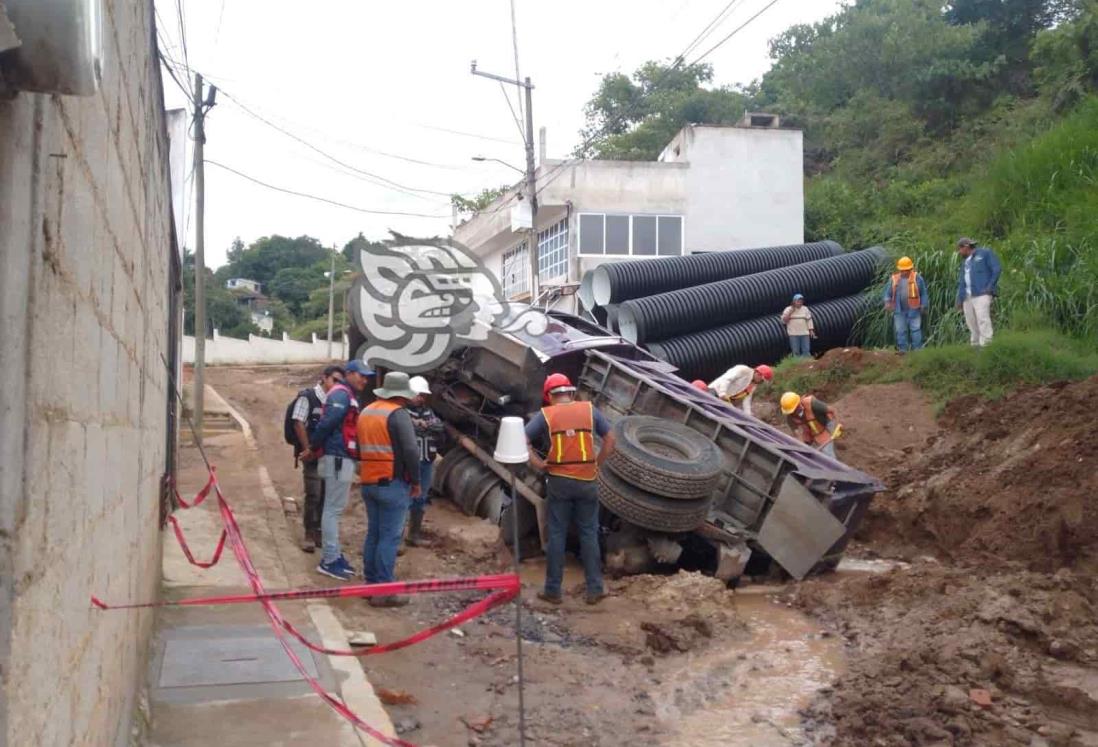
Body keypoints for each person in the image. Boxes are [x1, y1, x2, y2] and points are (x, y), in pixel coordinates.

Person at [524, 373, 615, 606]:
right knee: (589, 533)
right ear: (571, 393)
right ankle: (595, 589)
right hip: (587, 481)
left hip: (559, 481)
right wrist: (597, 463)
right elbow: (611, 439)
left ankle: (553, 591)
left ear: (549, 396)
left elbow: (522, 437)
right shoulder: (589, 410)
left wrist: (538, 462)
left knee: (557, 533)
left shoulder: (547, 414)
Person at [357, 371, 422, 607]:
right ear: (402, 394)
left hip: (368, 481)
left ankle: (370, 585)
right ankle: (383, 591)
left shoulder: (367, 410)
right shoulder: (398, 414)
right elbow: (411, 451)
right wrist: (416, 481)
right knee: (389, 537)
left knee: (373, 534)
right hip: (392, 484)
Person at [308, 359, 373, 581]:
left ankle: (333, 555)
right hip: (337, 456)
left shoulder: (346, 394)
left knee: (334, 509)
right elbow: (326, 424)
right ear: (350, 373)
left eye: (367, 377)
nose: (365, 380)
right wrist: (312, 447)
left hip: (341, 456)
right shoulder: (341, 394)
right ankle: (329, 560)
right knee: (332, 510)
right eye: (361, 375)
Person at [291, 365, 344, 553]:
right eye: (334, 380)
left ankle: (319, 531)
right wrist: (307, 449)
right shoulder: (308, 397)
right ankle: (309, 532)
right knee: (313, 494)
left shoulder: (336, 401)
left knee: (326, 494)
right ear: (324, 378)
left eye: (340, 382)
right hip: (312, 456)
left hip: (329, 455)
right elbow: (298, 422)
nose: (336, 384)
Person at [404, 375, 443, 548]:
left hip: (426, 462)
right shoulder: (402, 412)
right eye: (418, 394)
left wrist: (423, 424)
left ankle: (414, 535)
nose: (421, 398)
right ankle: (397, 538)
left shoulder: (428, 411)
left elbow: (439, 426)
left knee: (421, 498)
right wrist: (420, 425)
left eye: (422, 395)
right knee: (405, 499)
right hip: (410, 463)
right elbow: (409, 428)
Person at [955, 237, 1002, 347]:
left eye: (960, 249)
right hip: (967, 296)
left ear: (966, 247)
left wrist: (990, 287)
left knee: (982, 319)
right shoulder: (964, 262)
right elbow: (962, 281)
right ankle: (975, 345)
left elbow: (996, 269)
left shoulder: (985, 254)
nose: (959, 252)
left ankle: (986, 346)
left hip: (981, 293)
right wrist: (959, 299)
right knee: (971, 322)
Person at [883, 256, 929, 352]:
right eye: (903, 270)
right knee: (900, 331)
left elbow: (923, 293)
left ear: (911, 269)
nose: (905, 272)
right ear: (899, 269)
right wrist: (887, 302)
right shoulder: (894, 279)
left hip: (914, 309)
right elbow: (887, 293)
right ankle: (902, 350)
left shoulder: (917, 278)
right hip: (899, 310)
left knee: (915, 330)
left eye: (907, 270)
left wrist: (924, 305)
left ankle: (917, 350)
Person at [780, 392, 841, 459]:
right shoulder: (790, 418)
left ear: (798, 404)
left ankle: (833, 464)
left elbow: (833, 410)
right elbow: (798, 435)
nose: (792, 413)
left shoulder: (812, 404)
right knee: (806, 448)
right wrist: (804, 448)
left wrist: (838, 425)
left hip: (825, 423)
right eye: (790, 412)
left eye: (794, 410)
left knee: (828, 454)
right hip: (811, 428)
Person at [708, 364, 774, 416]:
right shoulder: (743, 370)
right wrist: (722, 393)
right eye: (762, 380)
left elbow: (747, 399)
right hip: (715, 391)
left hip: (724, 399)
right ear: (758, 374)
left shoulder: (753, 385)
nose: (761, 382)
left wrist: (748, 415)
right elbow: (726, 379)